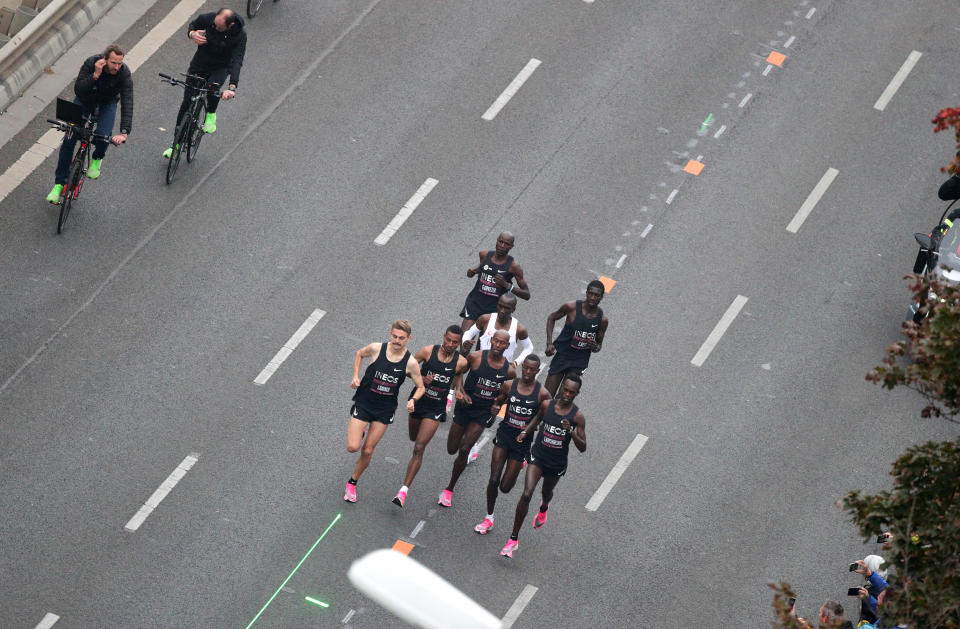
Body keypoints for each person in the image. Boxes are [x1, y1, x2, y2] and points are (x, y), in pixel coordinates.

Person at [500, 374, 586, 558]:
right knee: (526, 493)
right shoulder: (547, 405)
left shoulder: (577, 416)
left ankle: (544, 507)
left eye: (572, 392)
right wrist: (525, 432)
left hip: (556, 463)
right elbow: (536, 420)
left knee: (546, 493)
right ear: (562, 387)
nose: (567, 394)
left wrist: (570, 431)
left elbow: (583, 447)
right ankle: (513, 539)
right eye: (566, 390)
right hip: (538, 456)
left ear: (577, 393)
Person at [344, 320, 424, 503]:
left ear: (408, 339)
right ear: (390, 334)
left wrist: (413, 400)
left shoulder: (410, 362)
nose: (397, 341)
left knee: (368, 450)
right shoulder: (376, 349)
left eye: (401, 338)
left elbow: (421, 386)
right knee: (352, 447)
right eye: (395, 336)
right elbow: (359, 354)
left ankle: (352, 482)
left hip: (385, 410)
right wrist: (355, 376)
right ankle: (362, 428)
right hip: (364, 403)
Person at [473, 355, 551, 535]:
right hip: (505, 434)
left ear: (537, 371)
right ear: (522, 368)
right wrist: (494, 409)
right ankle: (489, 518)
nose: (528, 372)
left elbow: (546, 418)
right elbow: (497, 402)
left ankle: (521, 464)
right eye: (526, 368)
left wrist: (532, 427)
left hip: (522, 442)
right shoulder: (509, 385)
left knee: (505, 487)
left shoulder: (542, 394)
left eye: (532, 370)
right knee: (494, 478)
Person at [393, 325, 469, 508]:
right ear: (443, 337)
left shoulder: (461, 362)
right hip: (418, 402)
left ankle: (403, 491)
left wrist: (459, 390)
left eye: (455, 343)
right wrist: (420, 378)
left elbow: (458, 375)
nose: (450, 344)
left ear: (459, 344)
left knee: (419, 447)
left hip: (436, 408)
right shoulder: (427, 351)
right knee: (413, 437)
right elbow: (407, 367)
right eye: (448, 340)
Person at [438, 330, 515, 508]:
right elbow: (457, 372)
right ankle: (466, 449)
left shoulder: (509, 371)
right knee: (452, 449)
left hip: (483, 412)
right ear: (491, 340)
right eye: (495, 341)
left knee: (464, 449)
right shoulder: (475, 357)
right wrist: (460, 391)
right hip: (465, 406)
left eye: (502, 343)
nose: (498, 345)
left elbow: (507, 393)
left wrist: (498, 404)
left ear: (507, 346)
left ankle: (449, 489)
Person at [46, 44, 132, 203]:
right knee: (69, 139)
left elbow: (128, 100)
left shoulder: (124, 73)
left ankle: (97, 159)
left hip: (107, 104)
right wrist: (95, 75)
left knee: (103, 136)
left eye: (120, 63)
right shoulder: (91, 62)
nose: (117, 67)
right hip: (85, 101)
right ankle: (58, 185)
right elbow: (78, 89)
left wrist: (125, 131)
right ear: (105, 59)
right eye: (113, 63)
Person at [460, 292, 534, 464]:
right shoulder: (485, 319)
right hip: (479, 368)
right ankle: (469, 438)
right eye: (500, 305)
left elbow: (529, 348)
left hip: (500, 375)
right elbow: (468, 333)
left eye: (506, 308)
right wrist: (465, 343)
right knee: (469, 405)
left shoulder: (519, 328)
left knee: (489, 410)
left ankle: (473, 445)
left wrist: (515, 363)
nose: (502, 310)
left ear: (513, 309)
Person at [162, 8, 246, 158]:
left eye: (220, 27)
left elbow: (237, 61)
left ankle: (211, 115)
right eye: (215, 25)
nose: (216, 28)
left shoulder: (239, 35)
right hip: (200, 64)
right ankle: (175, 145)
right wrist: (192, 34)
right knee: (186, 102)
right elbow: (192, 25)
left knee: (212, 87)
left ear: (231, 24)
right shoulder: (209, 18)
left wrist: (232, 86)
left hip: (221, 67)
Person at [544, 280, 609, 396]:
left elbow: (598, 346)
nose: (593, 297)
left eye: (597, 295)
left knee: (563, 398)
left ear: (601, 297)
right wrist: (549, 343)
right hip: (562, 355)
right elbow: (552, 318)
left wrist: (595, 346)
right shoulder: (571, 307)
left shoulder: (602, 320)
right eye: (591, 293)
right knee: (547, 396)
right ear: (587, 293)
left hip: (579, 361)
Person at [458, 232, 530, 333]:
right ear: (496, 241)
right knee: (464, 339)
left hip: (495, 310)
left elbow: (526, 295)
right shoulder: (484, 255)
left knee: (484, 346)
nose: (502, 246)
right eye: (500, 242)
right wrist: (471, 272)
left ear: (511, 246)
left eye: (506, 244)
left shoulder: (514, 267)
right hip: (474, 304)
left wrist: (507, 285)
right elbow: (480, 269)